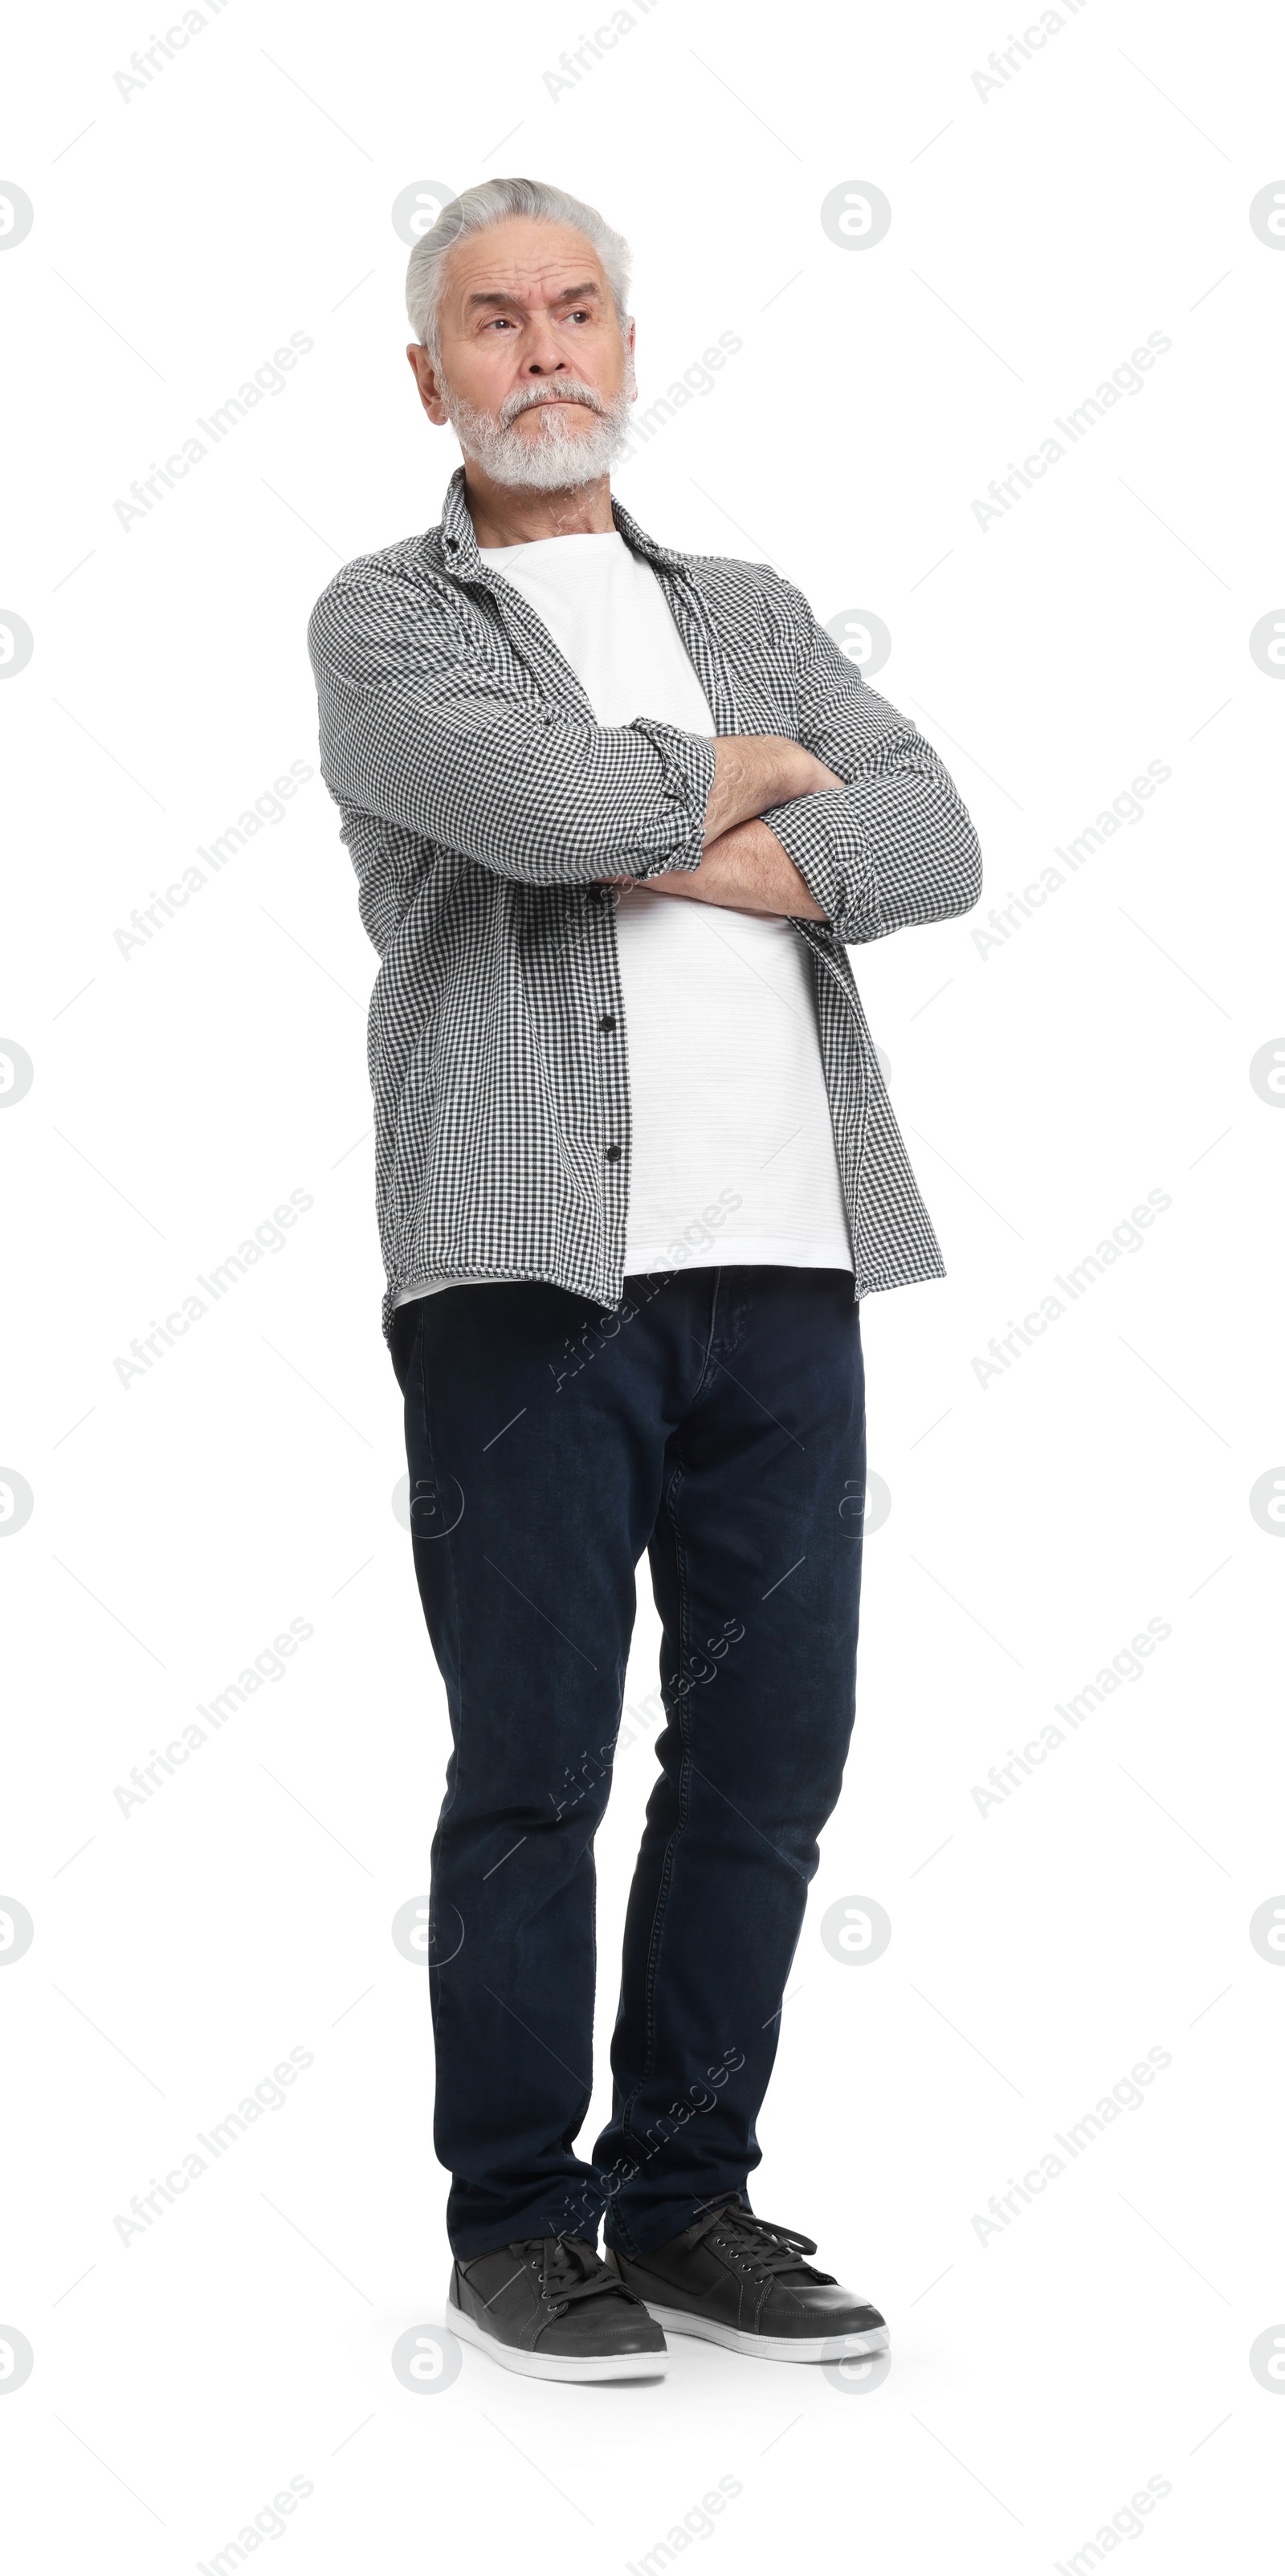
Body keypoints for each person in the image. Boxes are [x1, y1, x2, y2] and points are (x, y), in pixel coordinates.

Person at [308, 175, 981, 2382]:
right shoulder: (385, 622)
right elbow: (531, 815)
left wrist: (664, 795)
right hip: (524, 1282)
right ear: (432, 371)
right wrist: (765, 790)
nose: (540, 348)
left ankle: (687, 2195)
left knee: (773, 1752)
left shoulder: (751, 605)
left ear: (626, 335)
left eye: (575, 306)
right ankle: (519, 2224)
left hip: (782, 1269)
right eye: (491, 320)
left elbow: (937, 838)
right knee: (535, 1765)